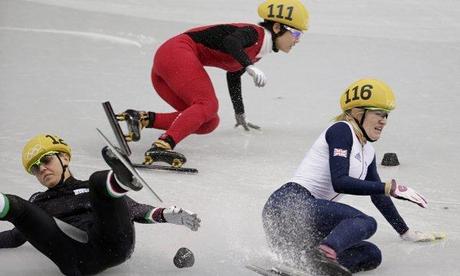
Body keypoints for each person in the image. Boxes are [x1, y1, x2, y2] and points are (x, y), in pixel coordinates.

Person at [261, 79, 444, 275]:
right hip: (288, 205)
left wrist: (406, 232)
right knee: (365, 221)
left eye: (386, 115)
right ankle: (322, 254)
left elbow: (379, 196)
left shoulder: (368, 151)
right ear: (358, 113)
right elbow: (339, 181)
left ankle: (308, 265)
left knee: (371, 254)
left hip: (306, 223)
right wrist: (387, 186)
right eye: (378, 113)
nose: (384, 121)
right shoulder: (342, 130)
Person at [119, 0, 309, 167]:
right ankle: (162, 145)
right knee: (208, 104)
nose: (297, 41)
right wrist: (249, 66)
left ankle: (142, 118)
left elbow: (233, 76)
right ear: (277, 28)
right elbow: (230, 42)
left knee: (208, 122)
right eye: (296, 34)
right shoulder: (254, 34)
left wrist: (239, 113)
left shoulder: (259, 50)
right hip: (176, 52)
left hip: (167, 65)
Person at [0, 133, 201, 275]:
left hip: (113, 242)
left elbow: (133, 210)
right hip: (75, 258)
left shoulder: (90, 188)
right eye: (35, 168)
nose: (42, 169)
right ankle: (119, 180)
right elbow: (16, 237)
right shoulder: (39, 200)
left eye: (46, 160)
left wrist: (164, 214)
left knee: (98, 181)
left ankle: (121, 180)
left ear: (65, 158)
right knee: (17, 205)